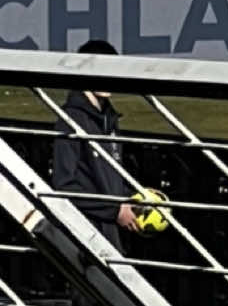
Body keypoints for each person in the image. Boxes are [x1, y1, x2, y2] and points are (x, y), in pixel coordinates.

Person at [52, 38, 138, 302]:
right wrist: (114, 210)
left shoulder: (110, 120)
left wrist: (132, 199)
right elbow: (64, 186)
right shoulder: (70, 120)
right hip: (86, 235)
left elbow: (111, 174)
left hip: (111, 233)